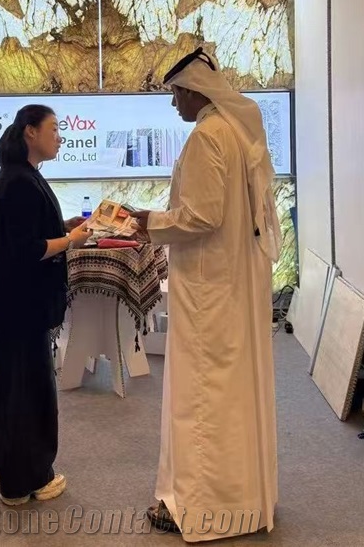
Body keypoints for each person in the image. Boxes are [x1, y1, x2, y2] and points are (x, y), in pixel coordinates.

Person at [130, 48, 282, 541]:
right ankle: (245, 501)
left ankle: (201, 508)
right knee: (233, 390)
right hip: (235, 284)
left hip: (209, 290)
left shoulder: (207, 136)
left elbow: (201, 216)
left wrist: (147, 222)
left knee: (202, 395)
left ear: (195, 91)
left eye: (177, 93)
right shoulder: (238, 132)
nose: (174, 103)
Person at [0, 104, 91, 506]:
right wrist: (72, 241)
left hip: (11, 303)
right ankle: (26, 481)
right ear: (30, 132)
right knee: (28, 392)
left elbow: (25, 233)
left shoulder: (18, 176)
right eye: (54, 129)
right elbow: (28, 249)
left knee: (7, 386)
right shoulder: (20, 181)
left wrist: (63, 227)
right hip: (22, 305)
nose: (60, 137)